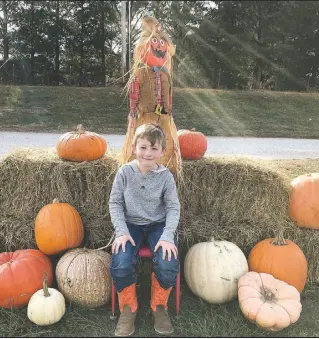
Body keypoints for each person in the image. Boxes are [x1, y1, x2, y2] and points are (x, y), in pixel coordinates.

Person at [110, 123, 180, 336]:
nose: (148, 153)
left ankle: (159, 305)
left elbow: (173, 207)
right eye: (143, 147)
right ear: (134, 148)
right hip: (131, 225)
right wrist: (121, 231)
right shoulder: (124, 173)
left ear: (162, 151)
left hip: (157, 225)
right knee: (121, 262)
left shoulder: (165, 176)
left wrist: (168, 236)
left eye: (153, 148)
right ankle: (128, 307)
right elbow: (115, 203)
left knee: (168, 262)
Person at [120, 16, 182, 178]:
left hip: (163, 117)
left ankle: (166, 170)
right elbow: (134, 94)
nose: (159, 47)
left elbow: (168, 94)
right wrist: (133, 112)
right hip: (145, 116)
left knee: (165, 145)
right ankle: (137, 172)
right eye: (155, 42)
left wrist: (169, 112)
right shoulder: (140, 73)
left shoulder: (165, 75)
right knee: (144, 142)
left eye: (162, 43)